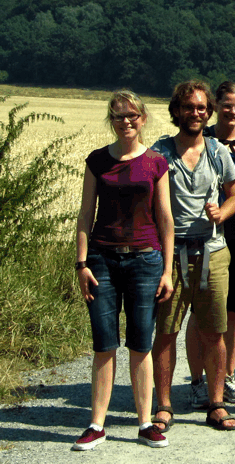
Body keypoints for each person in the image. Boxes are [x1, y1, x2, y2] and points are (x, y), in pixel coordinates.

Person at [73, 91, 174, 450]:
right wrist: (82, 264)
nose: (126, 121)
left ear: (143, 119)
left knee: (141, 343)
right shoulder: (97, 161)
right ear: (111, 121)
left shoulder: (156, 163)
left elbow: (165, 219)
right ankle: (96, 424)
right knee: (104, 344)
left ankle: (145, 423)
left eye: (132, 115)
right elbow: (85, 215)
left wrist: (167, 270)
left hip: (146, 259)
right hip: (102, 259)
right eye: (118, 116)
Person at [150, 81, 235, 432]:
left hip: (213, 252)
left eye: (202, 108)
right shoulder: (160, 153)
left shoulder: (219, 152)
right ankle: (164, 404)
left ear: (210, 112)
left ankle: (216, 403)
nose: (196, 113)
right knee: (167, 330)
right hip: (170, 254)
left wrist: (223, 212)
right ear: (177, 111)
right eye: (189, 107)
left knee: (214, 331)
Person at [185, 81, 235, 409]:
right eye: (227, 105)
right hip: (206, 236)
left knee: (232, 310)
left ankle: (227, 377)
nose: (233, 111)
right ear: (216, 105)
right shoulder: (204, 139)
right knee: (197, 312)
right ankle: (198, 382)